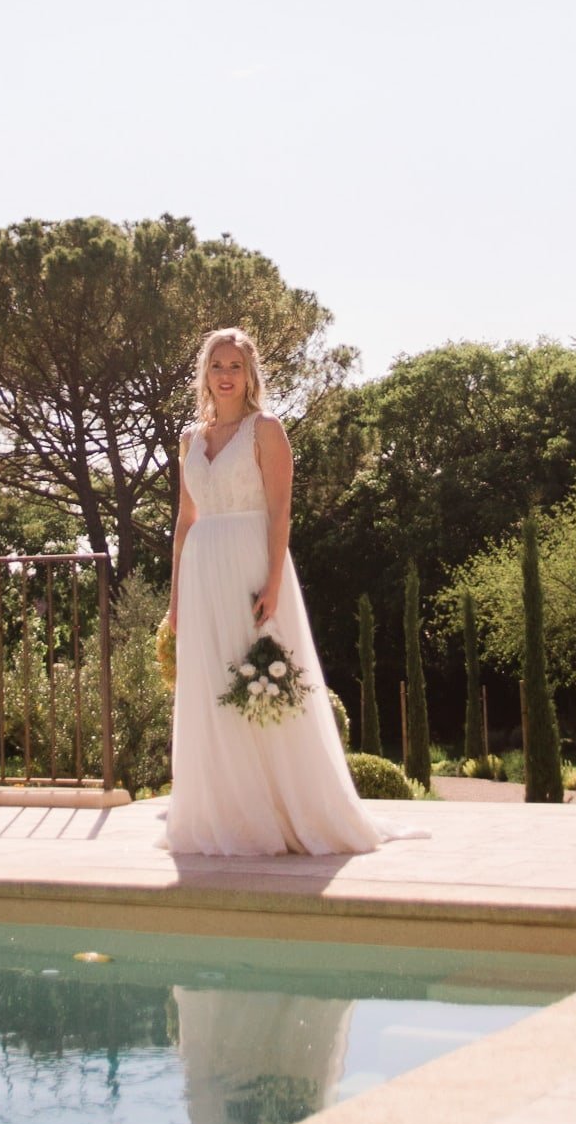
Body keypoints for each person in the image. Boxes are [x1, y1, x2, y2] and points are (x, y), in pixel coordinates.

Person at [163, 327, 428, 855]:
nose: (226, 375)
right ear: (205, 374)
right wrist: (174, 600)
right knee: (213, 690)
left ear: (250, 374)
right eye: (217, 365)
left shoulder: (267, 430)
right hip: (201, 576)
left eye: (236, 365)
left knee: (262, 687)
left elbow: (281, 510)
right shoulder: (190, 440)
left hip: (251, 568)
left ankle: (285, 812)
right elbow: (185, 520)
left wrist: (275, 583)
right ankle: (223, 814)